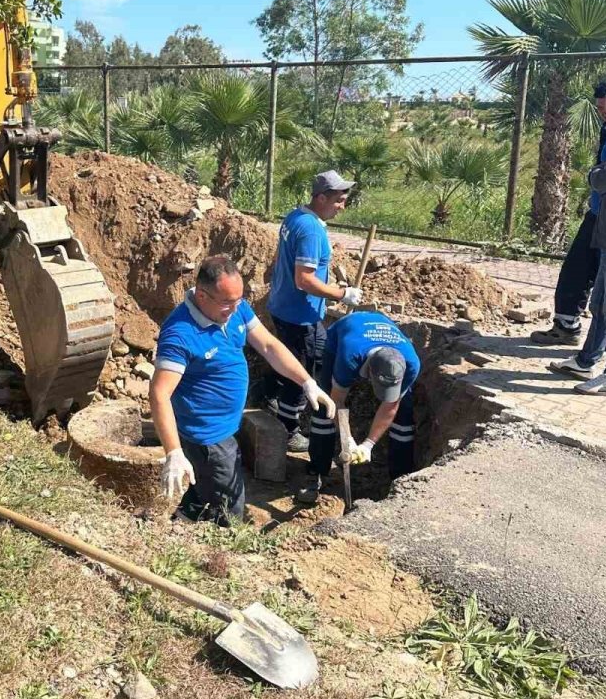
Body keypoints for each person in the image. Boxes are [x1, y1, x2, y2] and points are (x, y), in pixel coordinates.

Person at [149, 254, 336, 525]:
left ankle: (185, 517)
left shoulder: (235, 307)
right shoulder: (180, 334)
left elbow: (269, 346)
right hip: (207, 435)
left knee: (204, 487)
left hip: (225, 426)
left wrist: (307, 382)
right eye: (227, 302)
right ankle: (221, 550)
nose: (236, 308)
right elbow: (159, 393)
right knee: (230, 509)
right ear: (202, 296)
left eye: (239, 300)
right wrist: (173, 452)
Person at [265, 169, 362, 451]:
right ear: (321, 198)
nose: (342, 206)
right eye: (339, 200)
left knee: (313, 354)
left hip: (286, 306)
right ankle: (288, 428)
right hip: (299, 314)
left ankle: (268, 393)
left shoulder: (296, 216)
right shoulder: (309, 229)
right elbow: (304, 280)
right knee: (302, 370)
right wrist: (344, 294)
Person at [300, 310, 420, 507]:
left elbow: (391, 405)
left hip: (380, 331)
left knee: (404, 415)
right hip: (344, 332)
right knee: (324, 406)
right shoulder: (350, 356)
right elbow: (337, 400)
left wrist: (368, 444)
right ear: (369, 372)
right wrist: (347, 439)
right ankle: (317, 472)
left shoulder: (411, 363)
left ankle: (400, 482)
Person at [549, 84, 606, 395]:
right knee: (602, 303)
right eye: (605, 113)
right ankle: (588, 359)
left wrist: (599, 174)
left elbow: (603, 178)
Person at [532, 81, 606, 345]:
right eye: (601, 109)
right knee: (577, 270)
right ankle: (567, 326)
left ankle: (600, 355)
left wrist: (598, 178)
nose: (605, 115)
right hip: (598, 211)